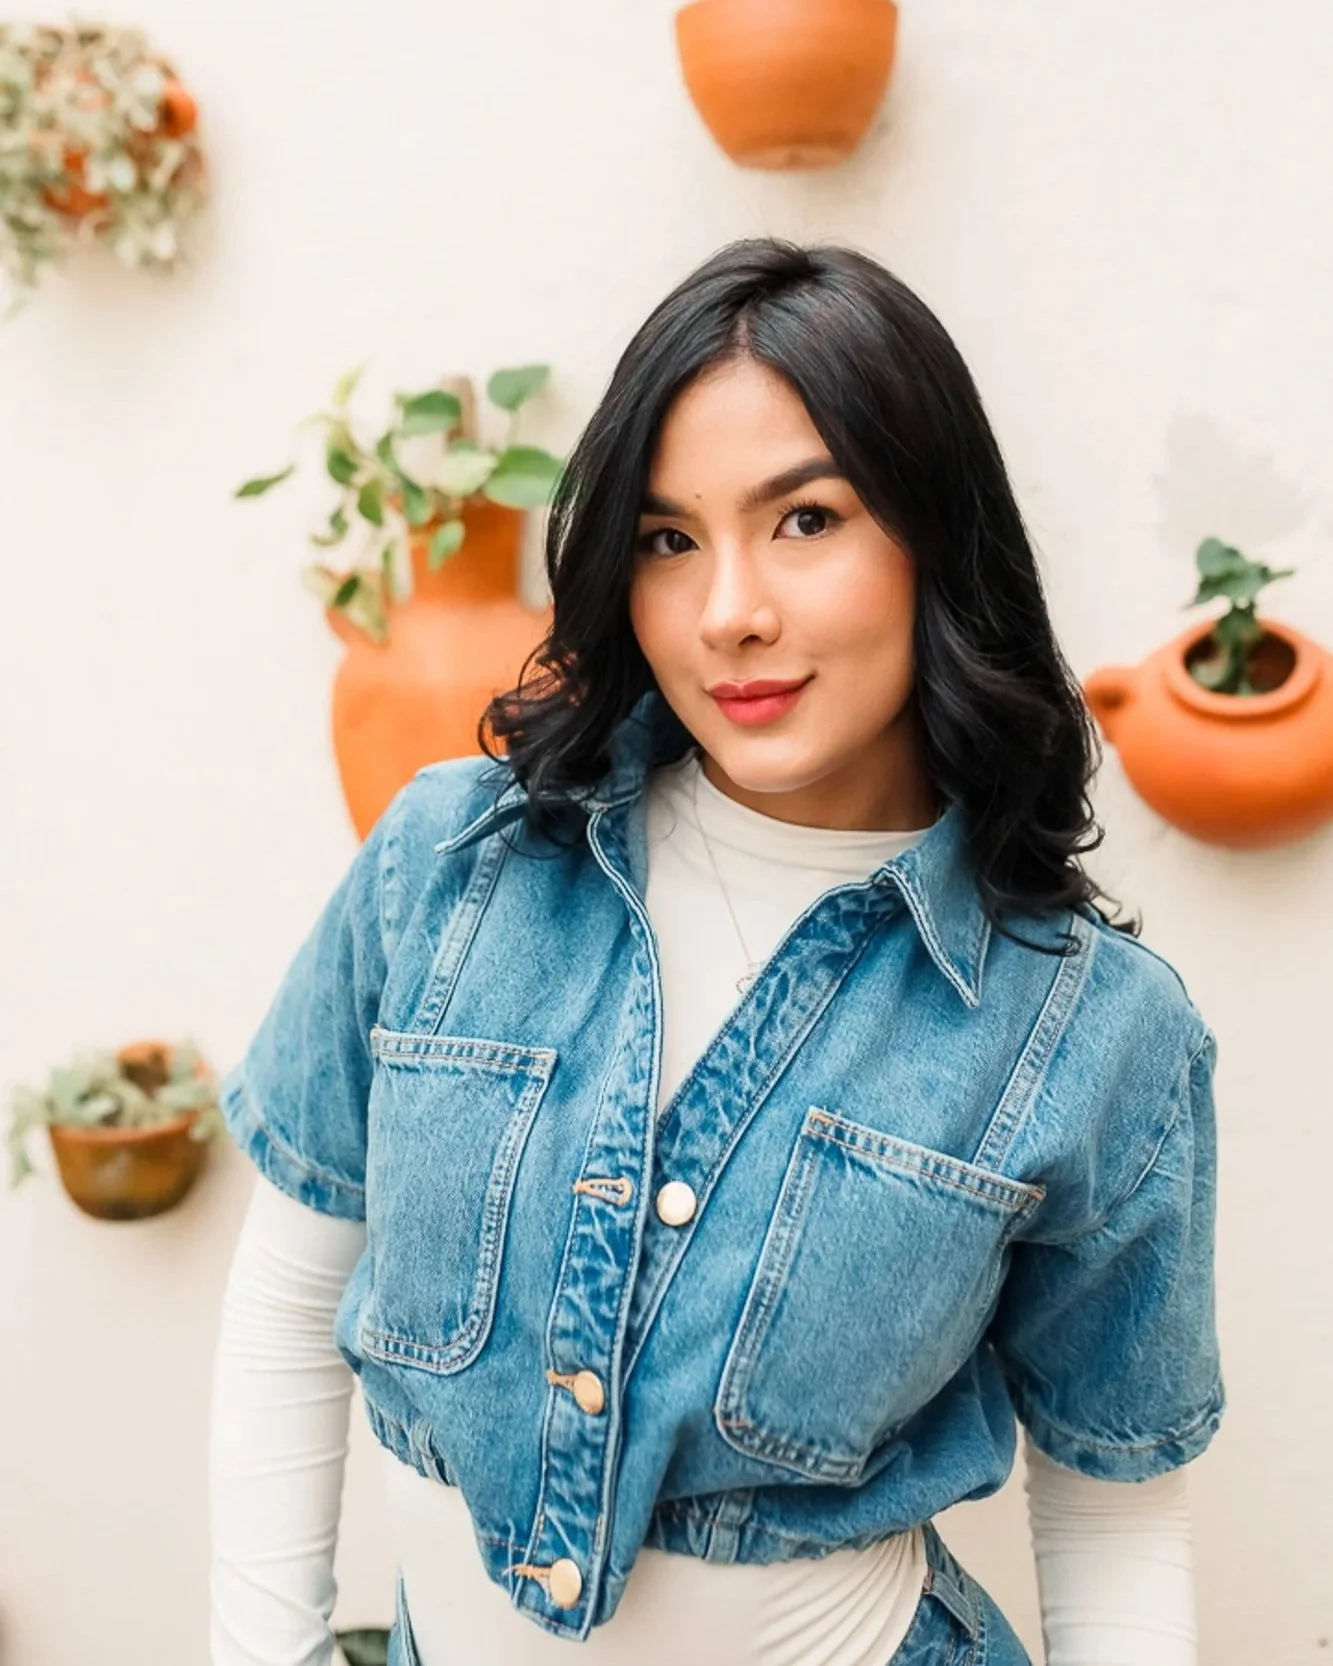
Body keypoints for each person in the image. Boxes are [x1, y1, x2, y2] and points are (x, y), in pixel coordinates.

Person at [209, 239, 1223, 1666]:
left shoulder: (1090, 1030)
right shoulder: (450, 864)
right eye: (669, 538)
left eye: (805, 520)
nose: (727, 608)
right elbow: (288, 1298)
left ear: (935, 532)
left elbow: (1116, 1517)